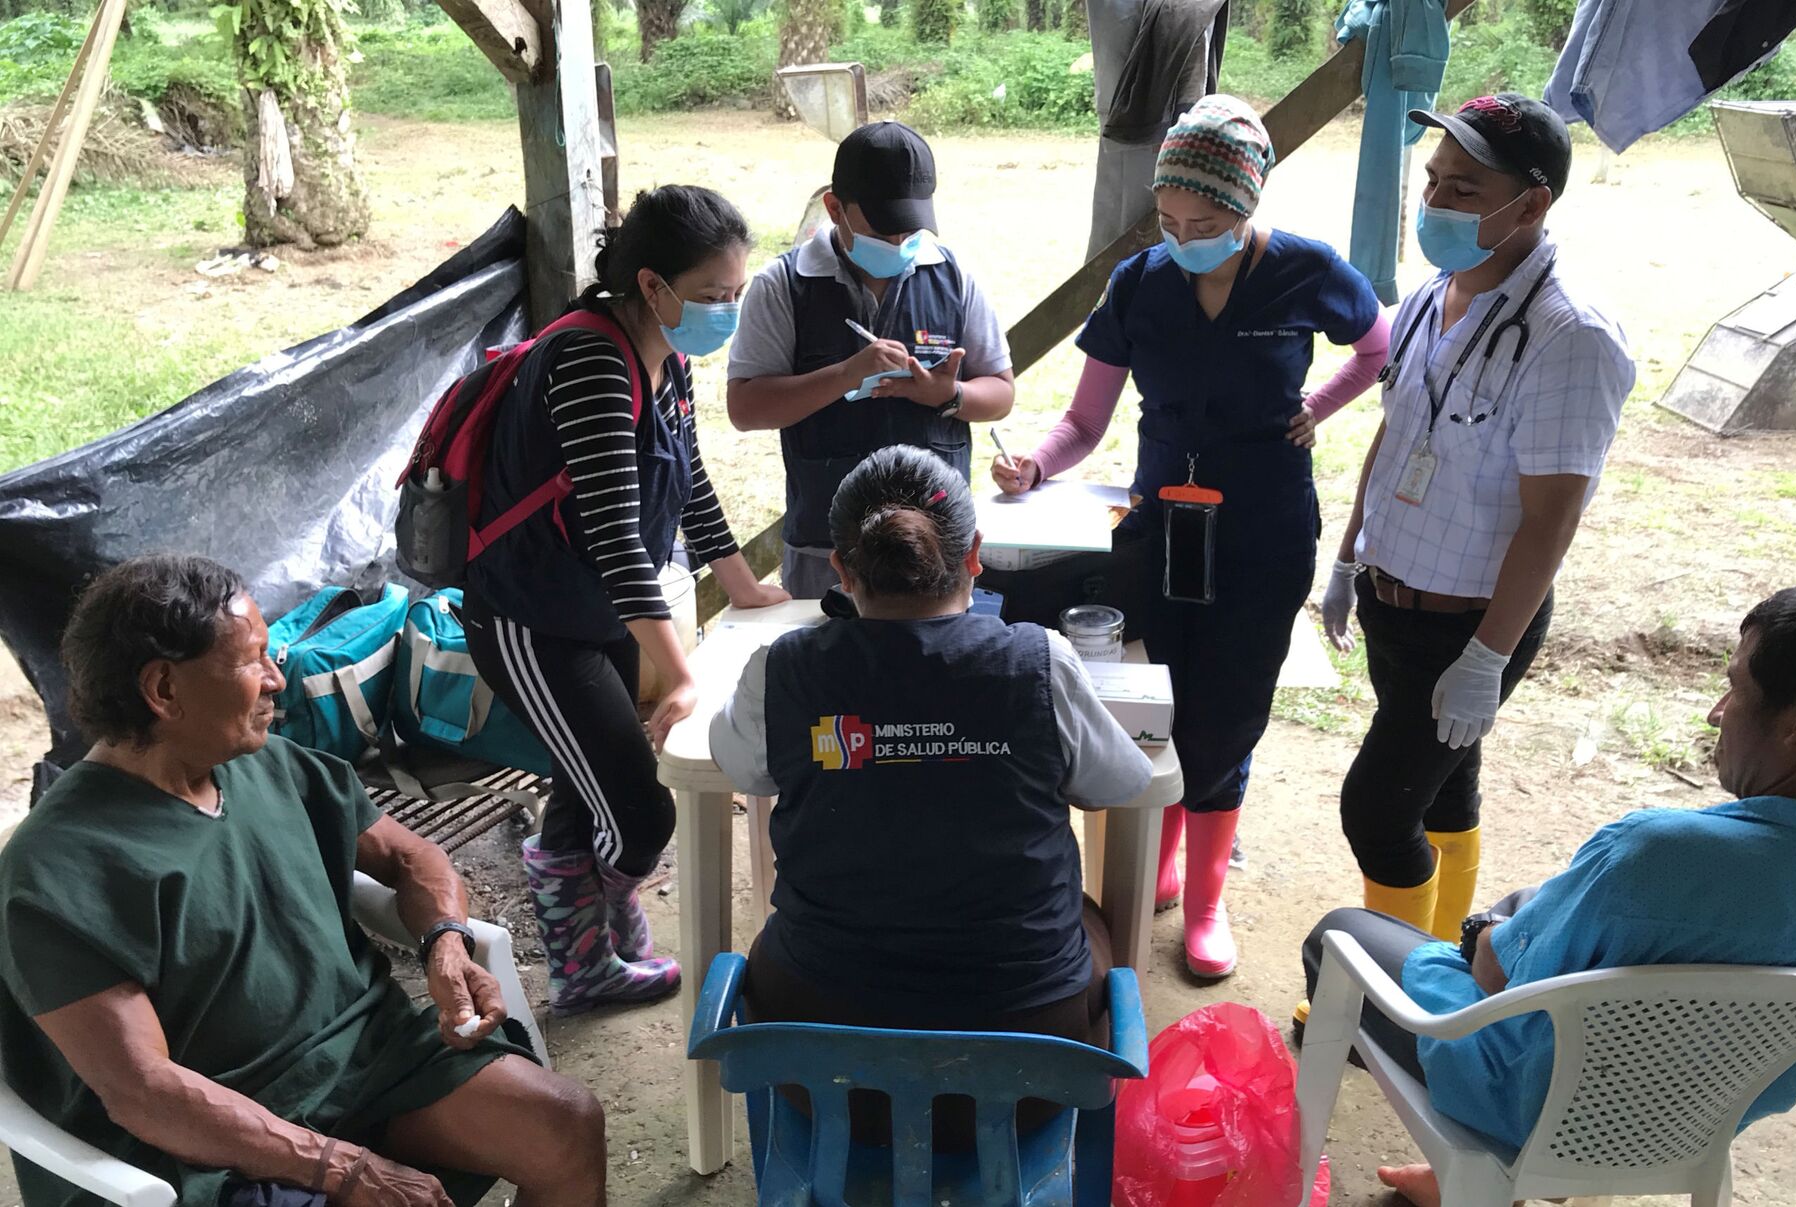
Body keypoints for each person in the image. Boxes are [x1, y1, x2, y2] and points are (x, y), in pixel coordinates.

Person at [0, 556, 609, 1207]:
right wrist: (346, 1168)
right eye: (252, 660)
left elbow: (411, 858)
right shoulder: (54, 874)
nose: (276, 677)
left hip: (364, 1060)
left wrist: (446, 944)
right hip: (202, 1149)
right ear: (164, 690)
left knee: (564, 1125)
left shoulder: (269, 764)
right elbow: (144, 1091)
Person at [1301, 581, 1796, 1207]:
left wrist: (1483, 933)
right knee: (1539, 908)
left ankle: (1492, 1171)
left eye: (1735, 686)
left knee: (1340, 935)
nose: (1717, 712)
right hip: (1691, 1125)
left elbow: (1496, 978)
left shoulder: (1656, 853)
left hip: (1528, 1101)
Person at [991, 94, 1391, 980]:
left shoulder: (1306, 270)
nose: (1183, 240)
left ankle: (1208, 898)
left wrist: (1317, 406)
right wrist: (1034, 465)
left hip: (1264, 527)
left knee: (1232, 706)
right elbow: (1084, 421)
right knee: (1156, 694)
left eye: (1204, 225)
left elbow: (1377, 347)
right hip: (1162, 526)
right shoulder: (1140, 283)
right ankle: (1163, 854)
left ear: (1247, 206)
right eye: (1168, 223)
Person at [708, 445, 1153, 1146]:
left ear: (841, 570)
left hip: (821, 1069)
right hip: (1029, 1071)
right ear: (974, 555)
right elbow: (1121, 783)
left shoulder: (783, 670)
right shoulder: (1038, 661)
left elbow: (742, 768)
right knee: (1084, 914)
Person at [1311, 95, 1636, 1020]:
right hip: (1395, 594)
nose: (1435, 203)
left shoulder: (1571, 337)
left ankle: (1391, 997)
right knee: (1445, 788)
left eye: (1464, 189)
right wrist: (1349, 556)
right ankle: (1453, 968)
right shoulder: (1430, 296)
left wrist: (1487, 657)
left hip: (1469, 622)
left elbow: (1551, 518)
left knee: (1379, 809)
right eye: (1433, 181)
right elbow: (1395, 432)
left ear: (1530, 205)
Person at [462, 185, 789, 1017]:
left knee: (588, 782)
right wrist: (680, 674)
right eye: (713, 294)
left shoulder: (667, 358)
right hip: (531, 618)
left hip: (599, 608)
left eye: (736, 292)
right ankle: (596, 932)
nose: (727, 311)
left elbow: (690, 480)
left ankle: (587, 957)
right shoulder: (592, 363)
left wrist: (743, 585)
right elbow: (613, 535)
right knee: (640, 812)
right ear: (652, 285)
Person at [726, 121, 1017, 599]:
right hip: (827, 548)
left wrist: (948, 395)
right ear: (834, 208)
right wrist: (846, 374)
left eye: (911, 228)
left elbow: (1001, 394)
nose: (899, 241)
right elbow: (746, 408)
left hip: (937, 545)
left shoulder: (952, 276)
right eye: (882, 229)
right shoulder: (784, 285)